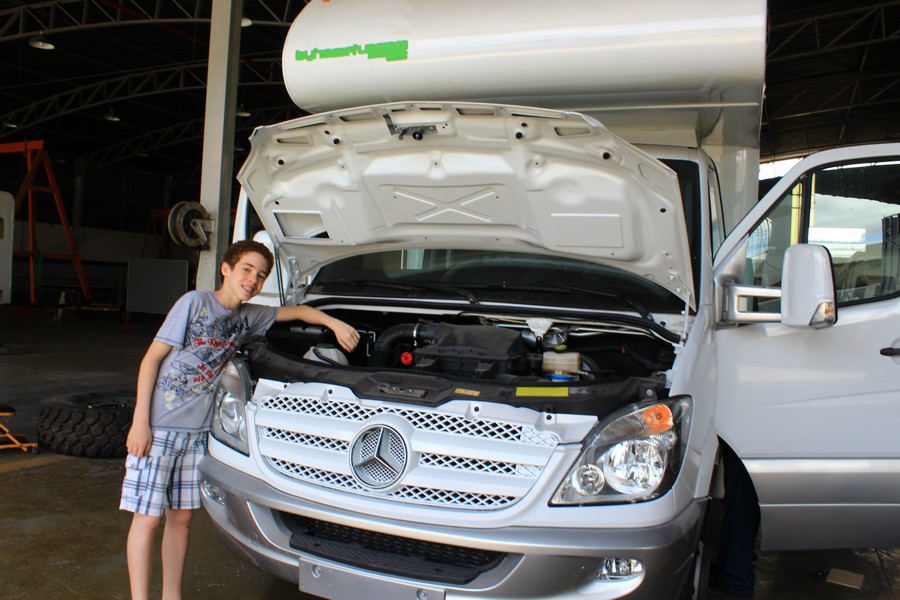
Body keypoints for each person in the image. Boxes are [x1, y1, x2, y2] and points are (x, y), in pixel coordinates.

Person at [119, 239, 359, 600]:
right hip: (160, 426)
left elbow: (297, 312)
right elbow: (151, 359)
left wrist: (333, 323)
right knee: (148, 518)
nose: (253, 280)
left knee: (181, 520)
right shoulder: (194, 303)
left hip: (197, 433)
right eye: (246, 269)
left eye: (261, 276)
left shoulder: (248, 317)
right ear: (226, 269)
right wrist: (141, 422)